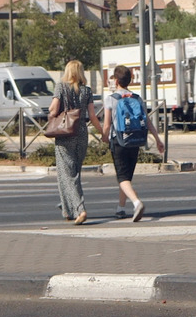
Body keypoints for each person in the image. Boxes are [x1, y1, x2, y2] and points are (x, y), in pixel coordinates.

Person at [101, 65, 165, 222]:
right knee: (126, 177)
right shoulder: (137, 98)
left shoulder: (111, 99)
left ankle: (137, 203)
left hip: (119, 141)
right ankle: (121, 208)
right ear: (129, 80)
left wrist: (103, 137)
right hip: (135, 140)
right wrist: (157, 139)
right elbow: (147, 120)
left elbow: (107, 124)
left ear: (116, 81)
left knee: (122, 177)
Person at [49, 60, 103, 225]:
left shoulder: (61, 87)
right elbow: (92, 116)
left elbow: (53, 108)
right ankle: (67, 209)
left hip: (65, 134)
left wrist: (51, 115)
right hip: (81, 135)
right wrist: (103, 133)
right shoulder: (87, 91)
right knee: (73, 174)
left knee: (68, 174)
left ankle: (80, 209)